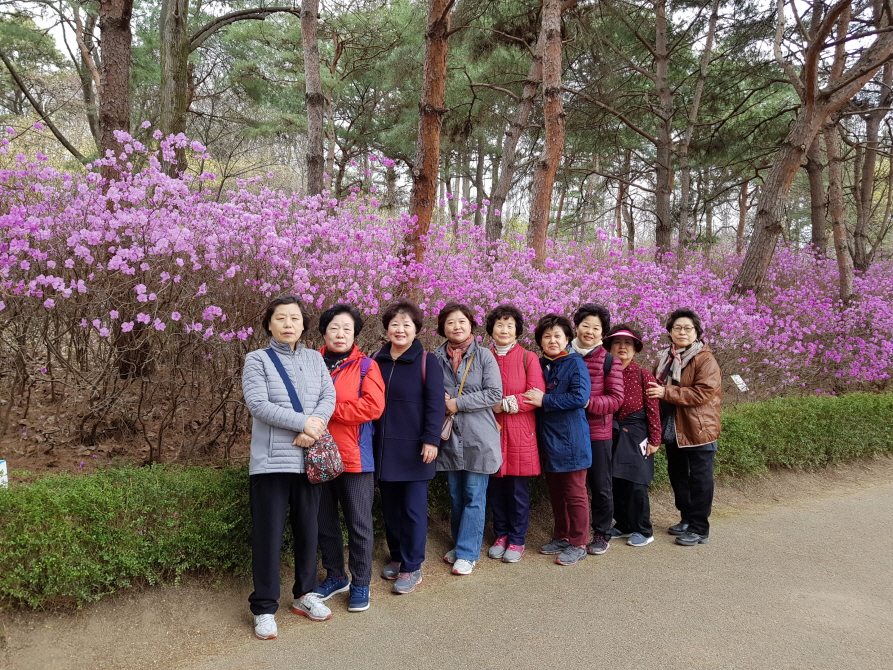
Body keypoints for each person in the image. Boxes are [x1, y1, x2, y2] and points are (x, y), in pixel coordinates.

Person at [242, 295, 337, 640]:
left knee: (308, 531)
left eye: (294, 318)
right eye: (280, 318)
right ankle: (264, 607)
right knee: (268, 536)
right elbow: (258, 404)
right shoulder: (257, 359)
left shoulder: (314, 358)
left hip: (308, 460)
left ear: (303, 325)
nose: (288, 324)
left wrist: (314, 429)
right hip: (271, 463)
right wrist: (303, 423)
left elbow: (328, 397)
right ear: (269, 324)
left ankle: (305, 594)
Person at [312, 304, 385, 613]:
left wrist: (329, 411)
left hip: (354, 458)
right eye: (334, 328)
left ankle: (360, 583)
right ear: (323, 332)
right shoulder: (310, 363)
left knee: (358, 523)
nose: (340, 334)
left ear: (355, 334)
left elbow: (373, 406)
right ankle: (336, 576)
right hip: (316, 455)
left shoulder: (366, 366)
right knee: (324, 521)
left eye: (347, 329)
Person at [372, 299, 445, 593]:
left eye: (406, 324)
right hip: (383, 448)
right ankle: (397, 555)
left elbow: (436, 405)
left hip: (416, 449)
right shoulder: (376, 360)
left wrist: (431, 439)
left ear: (416, 329)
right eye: (394, 324)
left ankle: (412, 565)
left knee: (413, 510)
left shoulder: (427, 361)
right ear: (387, 328)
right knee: (391, 508)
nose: (400, 330)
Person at [434, 303, 503, 576]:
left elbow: (494, 393)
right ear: (443, 327)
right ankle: (461, 543)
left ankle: (467, 553)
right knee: (456, 495)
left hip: (479, 436)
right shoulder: (435, 358)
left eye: (461, 321)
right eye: (450, 322)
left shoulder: (484, 355)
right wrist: (439, 399)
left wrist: (457, 403)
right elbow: (428, 390)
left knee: (474, 494)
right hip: (450, 438)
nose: (457, 326)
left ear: (471, 325)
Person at [646, 308, 722, 546]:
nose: (682, 332)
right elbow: (653, 385)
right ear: (669, 332)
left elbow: (703, 392)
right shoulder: (664, 358)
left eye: (688, 328)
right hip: (673, 428)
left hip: (698, 429)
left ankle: (700, 528)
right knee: (678, 476)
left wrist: (665, 392)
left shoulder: (704, 359)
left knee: (700, 479)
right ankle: (687, 518)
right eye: (677, 328)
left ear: (697, 332)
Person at [524, 314, 592, 566]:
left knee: (575, 493)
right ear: (540, 341)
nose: (552, 340)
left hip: (571, 439)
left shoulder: (575, 363)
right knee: (556, 492)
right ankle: (562, 536)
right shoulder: (540, 364)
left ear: (567, 339)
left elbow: (580, 397)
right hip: (548, 440)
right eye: (547, 336)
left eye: (557, 336)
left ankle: (579, 542)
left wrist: (545, 400)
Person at [484, 304, 546, 563]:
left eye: (510, 325)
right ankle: (501, 534)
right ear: (491, 329)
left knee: (517, 491)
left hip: (520, 433)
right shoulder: (484, 356)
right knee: (496, 489)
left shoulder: (528, 358)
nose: (504, 330)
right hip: (491, 431)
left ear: (518, 330)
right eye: (499, 325)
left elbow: (535, 395)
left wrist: (503, 404)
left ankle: (517, 539)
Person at [570, 303, 624, 555]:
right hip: (568, 432)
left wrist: (587, 403)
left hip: (597, 433)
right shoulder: (563, 353)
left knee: (601, 486)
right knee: (572, 486)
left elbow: (615, 399)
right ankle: (571, 533)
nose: (589, 331)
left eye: (596, 328)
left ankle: (602, 533)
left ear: (603, 333)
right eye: (585, 325)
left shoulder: (610, 361)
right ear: (576, 327)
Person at [602, 324, 662, 547]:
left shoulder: (643, 374)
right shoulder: (605, 372)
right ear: (609, 347)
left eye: (628, 343)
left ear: (635, 348)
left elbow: (653, 410)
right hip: (612, 433)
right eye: (617, 343)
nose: (622, 347)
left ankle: (644, 529)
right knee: (615, 481)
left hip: (637, 434)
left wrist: (655, 439)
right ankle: (624, 524)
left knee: (636, 482)